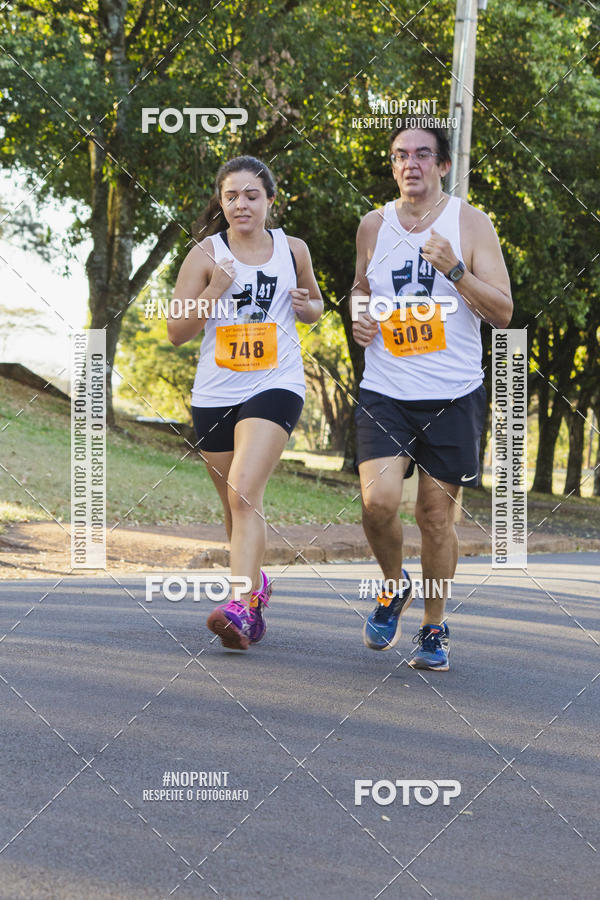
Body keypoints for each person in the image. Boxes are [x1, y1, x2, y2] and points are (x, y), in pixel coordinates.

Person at [351, 124, 512, 670]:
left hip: (452, 393)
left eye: (423, 154)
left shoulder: (470, 223)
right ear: (392, 166)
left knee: (435, 517)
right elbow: (360, 289)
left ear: (443, 166)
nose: (411, 164)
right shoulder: (372, 226)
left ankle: (434, 625)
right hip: (386, 389)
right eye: (400, 156)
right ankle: (394, 587)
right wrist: (358, 316)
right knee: (377, 503)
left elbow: (503, 312)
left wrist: (456, 269)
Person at [169, 156, 323, 650]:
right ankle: (255, 595)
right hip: (215, 393)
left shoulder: (293, 250)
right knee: (235, 509)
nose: (241, 204)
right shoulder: (205, 254)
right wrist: (215, 289)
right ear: (221, 200)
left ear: (270, 201)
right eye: (231, 195)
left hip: (276, 384)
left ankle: (237, 603)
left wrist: (309, 308)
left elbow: (317, 304)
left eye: (252, 195)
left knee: (243, 492)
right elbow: (176, 331)